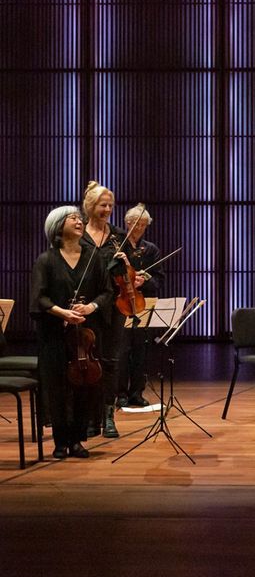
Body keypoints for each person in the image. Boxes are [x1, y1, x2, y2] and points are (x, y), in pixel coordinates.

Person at [30, 207, 113, 460]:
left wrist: (91, 306)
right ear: (57, 226)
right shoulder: (46, 260)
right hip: (54, 333)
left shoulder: (94, 258)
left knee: (84, 386)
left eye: (80, 218)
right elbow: (38, 298)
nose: (80, 221)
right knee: (57, 387)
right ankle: (60, 441)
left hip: (86, 334)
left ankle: (77, 440)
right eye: (73, 218)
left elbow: (107, 292)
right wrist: (62, 313)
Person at [81, 181, 126, 438]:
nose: (108, 209)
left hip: (114, 306)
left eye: (110, 205)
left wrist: (127, 265)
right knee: (88, 362)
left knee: (110, 361)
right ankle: (90, 416)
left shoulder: (119, 236)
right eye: (102, 205)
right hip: (88, 306)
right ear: (90, 207)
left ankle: (109, 417)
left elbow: (128, 274)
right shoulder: (80, 235)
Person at [117, 204, 164, 408]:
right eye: (137, 224)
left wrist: (144, 281)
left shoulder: (151, 249)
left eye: (144, 225)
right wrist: (126, 279)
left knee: (141, 351)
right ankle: (120, 393)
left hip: (142, 303)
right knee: (121, 351)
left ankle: (137, 392)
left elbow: (159, 280)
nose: (140, 229)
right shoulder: (117, 246)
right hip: (121, 303)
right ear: (128, 223)